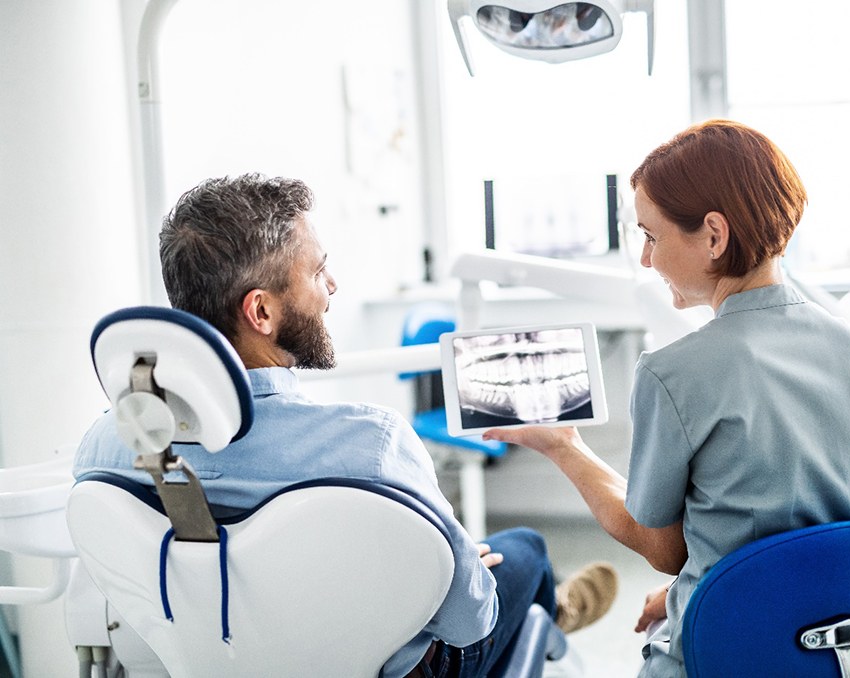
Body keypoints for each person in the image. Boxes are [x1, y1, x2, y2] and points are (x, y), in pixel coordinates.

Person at [73, 174, 619, 678]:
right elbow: (467, 622)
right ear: (260, 313)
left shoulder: (105, 449)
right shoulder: (372, 446)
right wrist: (459, 569)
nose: (332, 284)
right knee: (522, 551)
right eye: (316, 271)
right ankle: (555, 612)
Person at [483, 119, 850, 676]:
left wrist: (564, 447)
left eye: (651, 237)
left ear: (713, 235)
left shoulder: (674, 373)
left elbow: (663, 549)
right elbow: (812, 531)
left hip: (739, 651)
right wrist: (695, 591)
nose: (646, 261)